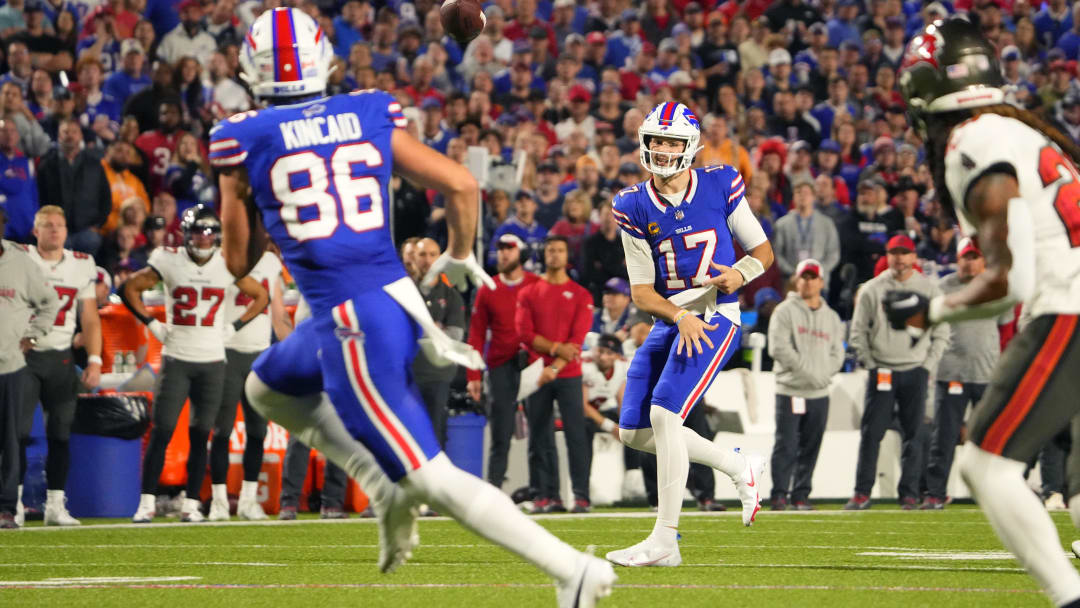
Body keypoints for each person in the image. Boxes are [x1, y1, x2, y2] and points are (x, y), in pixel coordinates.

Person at [213, 9, 616, 605]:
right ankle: (382, 486)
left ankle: (572, 568)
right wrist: (455, 254)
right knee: (266, 387)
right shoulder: (366, 111)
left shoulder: (243, 135)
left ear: (251, 70)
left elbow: (237, 262)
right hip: (385, 303)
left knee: (430, 475)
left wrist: (246, 193)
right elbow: (462, 184)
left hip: (351, 320)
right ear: (324, 58)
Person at [883, 18, 1080, 605]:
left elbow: (1010, 276)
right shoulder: (1018, 132)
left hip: (1069, 303)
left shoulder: (976, 139)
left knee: (985, 464)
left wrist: (932, 309)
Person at [606, 101, 775, 568]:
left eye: (671, 141)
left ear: (690, 147)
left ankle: (665, 540)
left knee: (664, 416)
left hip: (717, 312)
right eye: (655, 140)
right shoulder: (631, 203)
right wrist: (678, 317)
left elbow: (762, 250)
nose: (661, 150)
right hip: (673, 316)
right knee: (634, 432)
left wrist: (738, 275)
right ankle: (740, 466)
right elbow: (641, 291)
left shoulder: (720, 182)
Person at [120, 205, 268, 523]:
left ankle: (190, 502)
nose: (205, 238)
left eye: (210, 232)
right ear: (186, 234)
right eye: (199, 231)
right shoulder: (168, 259)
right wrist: (153, 324)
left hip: (213, 360)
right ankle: (146, 502)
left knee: (202, 434)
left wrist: (233, 328)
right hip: (177, 358)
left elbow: (261, 297)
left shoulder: (227, 263)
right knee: (162, 431)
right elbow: (130, 287)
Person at [846, 234, 949, 510]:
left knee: (914, 435)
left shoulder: (929, 290)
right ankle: (861, 492)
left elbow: (942, 331)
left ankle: (909, 494)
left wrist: (927, 365)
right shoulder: (872, 289)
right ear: (887, 256)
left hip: (914, 369)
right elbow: (857, 331)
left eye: (905, 253)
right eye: (894, 253)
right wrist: (870, 363)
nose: (900, 258)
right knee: (871, 434)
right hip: (882, 370)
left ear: (914, 257)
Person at [16, 206, 103, 527]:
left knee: (60, 433)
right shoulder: (17, 258)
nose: (54, 230)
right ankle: (12, 504)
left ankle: (55, 504)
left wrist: (94, 359)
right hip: (22, 356)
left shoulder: (81, 264)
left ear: (66, 231)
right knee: (16, 434)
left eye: (59, 225)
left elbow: (90, 317)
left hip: (62, 357)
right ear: (34, 231)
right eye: (47, 225)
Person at [921, 238, 1010, 510]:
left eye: (974, 257)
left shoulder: (996, 288)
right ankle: (935, 493)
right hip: (953, 373)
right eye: (965, 257)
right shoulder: (943, 287)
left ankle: (994, 494)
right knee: (943, 437)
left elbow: (1005, 330)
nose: (969, 262)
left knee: (991, 439)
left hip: (987, 373)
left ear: (983, 260)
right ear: (957, 259)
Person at [515, 235, 594, 513]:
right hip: (538, 374)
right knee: (539, 436)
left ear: (567, 255)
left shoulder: (582, 295)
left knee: (576, 435)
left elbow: (578, 340)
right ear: (544, 254)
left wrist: (554, 366)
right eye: (550, 250)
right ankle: (546, 496)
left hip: (566, 374)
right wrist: (556, 351)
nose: (555, 255)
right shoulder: (528, 293)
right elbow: (524, 334)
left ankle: (581, 496)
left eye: (560, 250)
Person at [206, 245, 283, 522]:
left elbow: (278, 310)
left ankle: (249, 501)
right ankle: (219, 501)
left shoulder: (272, 261)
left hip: (260, 354)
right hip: (227, 352)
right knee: (221, 430)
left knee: (258, 431)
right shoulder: (222, 257)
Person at [766, 259, 844, 511]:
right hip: (790, 390)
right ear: (796, 281)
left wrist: (822, 375)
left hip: (819, 392)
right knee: (786, 445)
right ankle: (779, 494)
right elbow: (778, 348)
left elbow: (837, 354)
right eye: (804, 277)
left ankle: (801, 494)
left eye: (813, 277)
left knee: (811, 446)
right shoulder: (784, 311)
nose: (808, 282)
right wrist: (813, 373)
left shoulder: (832, 317)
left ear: (821, 282)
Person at [0, 208, 59, 529]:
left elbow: (50, 301)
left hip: (10, 366)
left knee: (10, 439)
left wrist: (33, 335)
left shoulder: (20, 262)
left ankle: (7, 507)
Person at [467, 234, 539, 490]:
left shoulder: (536, 284)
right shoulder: (488, 288)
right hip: (500, 365)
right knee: (501, 432)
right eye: (499, 250)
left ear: (521, 253)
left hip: (533, 363)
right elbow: (475, 333)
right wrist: (473, 375)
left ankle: (542, 491)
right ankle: (494, 488)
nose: (503, 254)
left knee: (540, 430)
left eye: (509, 249)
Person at [274, 290, 350, 520]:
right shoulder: (314, 288)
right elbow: (304, 328)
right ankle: (289, 501)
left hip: (341, 363)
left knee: (341, 435)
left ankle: (333, 502)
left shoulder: (349, 287)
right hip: (312, 362)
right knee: (302, 434)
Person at [411, 238, 466, 448]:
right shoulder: (404, 294)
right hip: (407, 374)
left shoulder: (451, 295)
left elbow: (454, 336)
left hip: (438, 375)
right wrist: (434, 328)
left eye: (433, 254)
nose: (428, 260)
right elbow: (396, 332)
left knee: (435, 435)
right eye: (422, 255)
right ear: (413, 259)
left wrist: (419, 327)